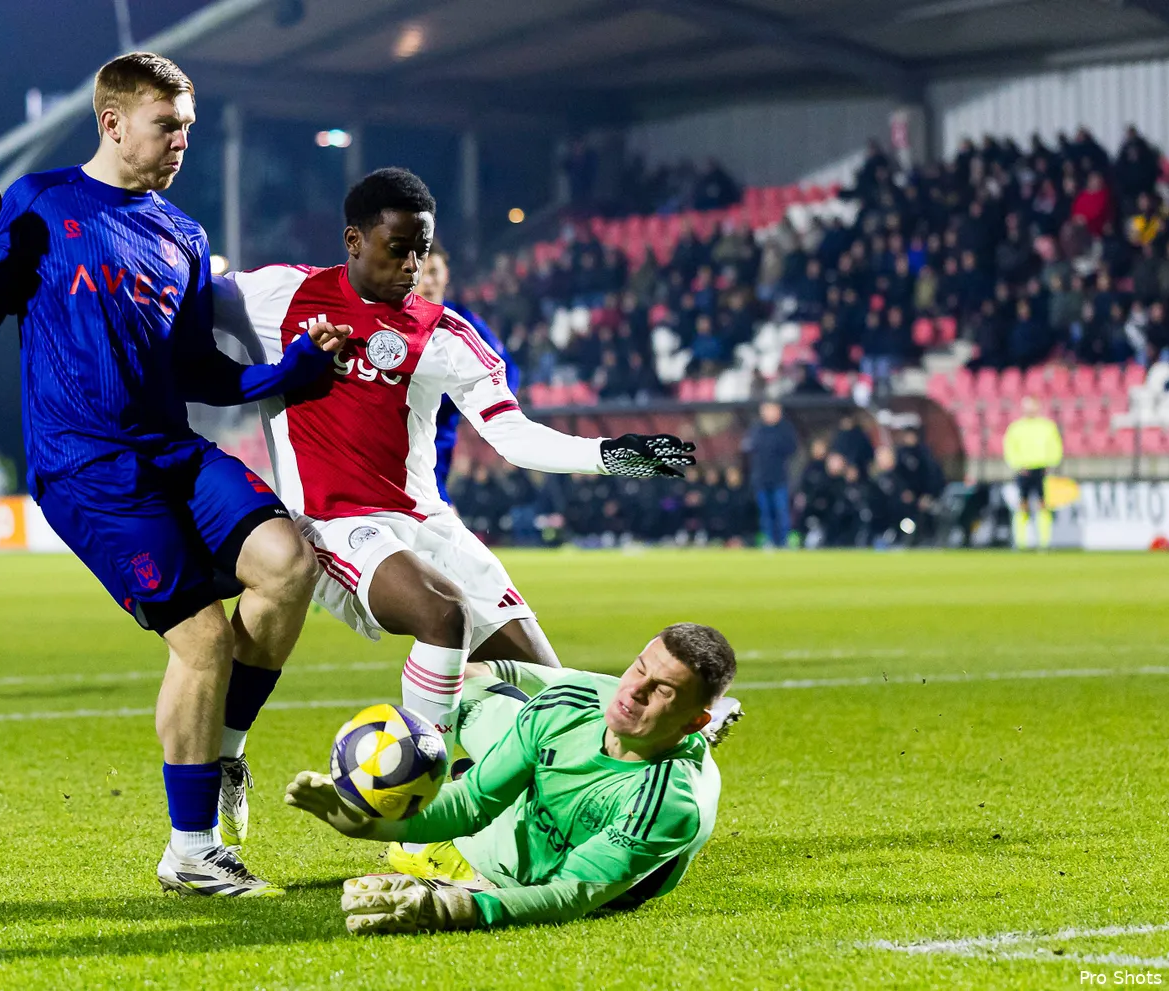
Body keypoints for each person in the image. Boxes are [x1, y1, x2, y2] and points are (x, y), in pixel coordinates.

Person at [0, 53, 351, 897]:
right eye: (168, 125)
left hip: (170, 446)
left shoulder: (184, 235)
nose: (181, 142)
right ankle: (192, 850)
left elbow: (199, 368)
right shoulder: (40, 202)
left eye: (188, 128)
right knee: (202, 636)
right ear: (113, 121)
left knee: (288, 563)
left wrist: (292, 374)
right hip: (85, 463)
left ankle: (224, 752)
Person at [217, 167, 697, 748]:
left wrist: (609, 454)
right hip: (336, 524)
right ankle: (430, 794)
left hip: (428, 524)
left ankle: (673, 740)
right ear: (354, 241)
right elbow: (181, 297)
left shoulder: (445, 332)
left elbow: (511, 435)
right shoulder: (280, 294)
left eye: (421, 252)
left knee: (553, 690)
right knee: (442, 616)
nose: (412, 267)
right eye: (398, 250)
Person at [283, 623, 740, 934]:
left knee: (425, 855)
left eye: (661, 690)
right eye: (639, 668)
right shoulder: (576, 700)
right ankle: (476, 762)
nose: (634, 691)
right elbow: (472, 802)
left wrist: (455, 906)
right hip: (539, 760)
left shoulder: (669, 803)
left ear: (695, 720)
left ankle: (476, 841)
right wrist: (367, 824)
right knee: (467, 698)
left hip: (586, 868)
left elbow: (571, 893)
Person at [416, 247, 518, 502]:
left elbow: (505, 368)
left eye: (434, 271)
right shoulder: (391, 320)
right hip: (395, 433)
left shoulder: (461, 321)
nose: (428, 280)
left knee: (433, 503)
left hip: (438, 436)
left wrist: (485, 410)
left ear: (446, 274)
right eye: (421, 272)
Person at [1002, 397, 1064, 549]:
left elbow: (1055, 446)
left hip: (1042, 470)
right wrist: (1017, 465)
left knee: (1043, 506)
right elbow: (1010, 448)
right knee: (1022, 505)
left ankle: (1044, 543)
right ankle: (1021, 543)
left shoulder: (1047, 426)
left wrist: (1051, 463)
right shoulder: (1016, 427)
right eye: (1027, 407)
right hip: (1024, 471)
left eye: (1032, 406)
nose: (1029, 410)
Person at [742, 402, 799, 548]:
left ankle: (783, 541)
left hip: (779, 477)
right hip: (761, 478)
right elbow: (749, 447)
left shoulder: (785, 429)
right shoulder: (757, 429)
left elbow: (792, 448)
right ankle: (769, 541)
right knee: (765, 513)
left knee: (781, 511)